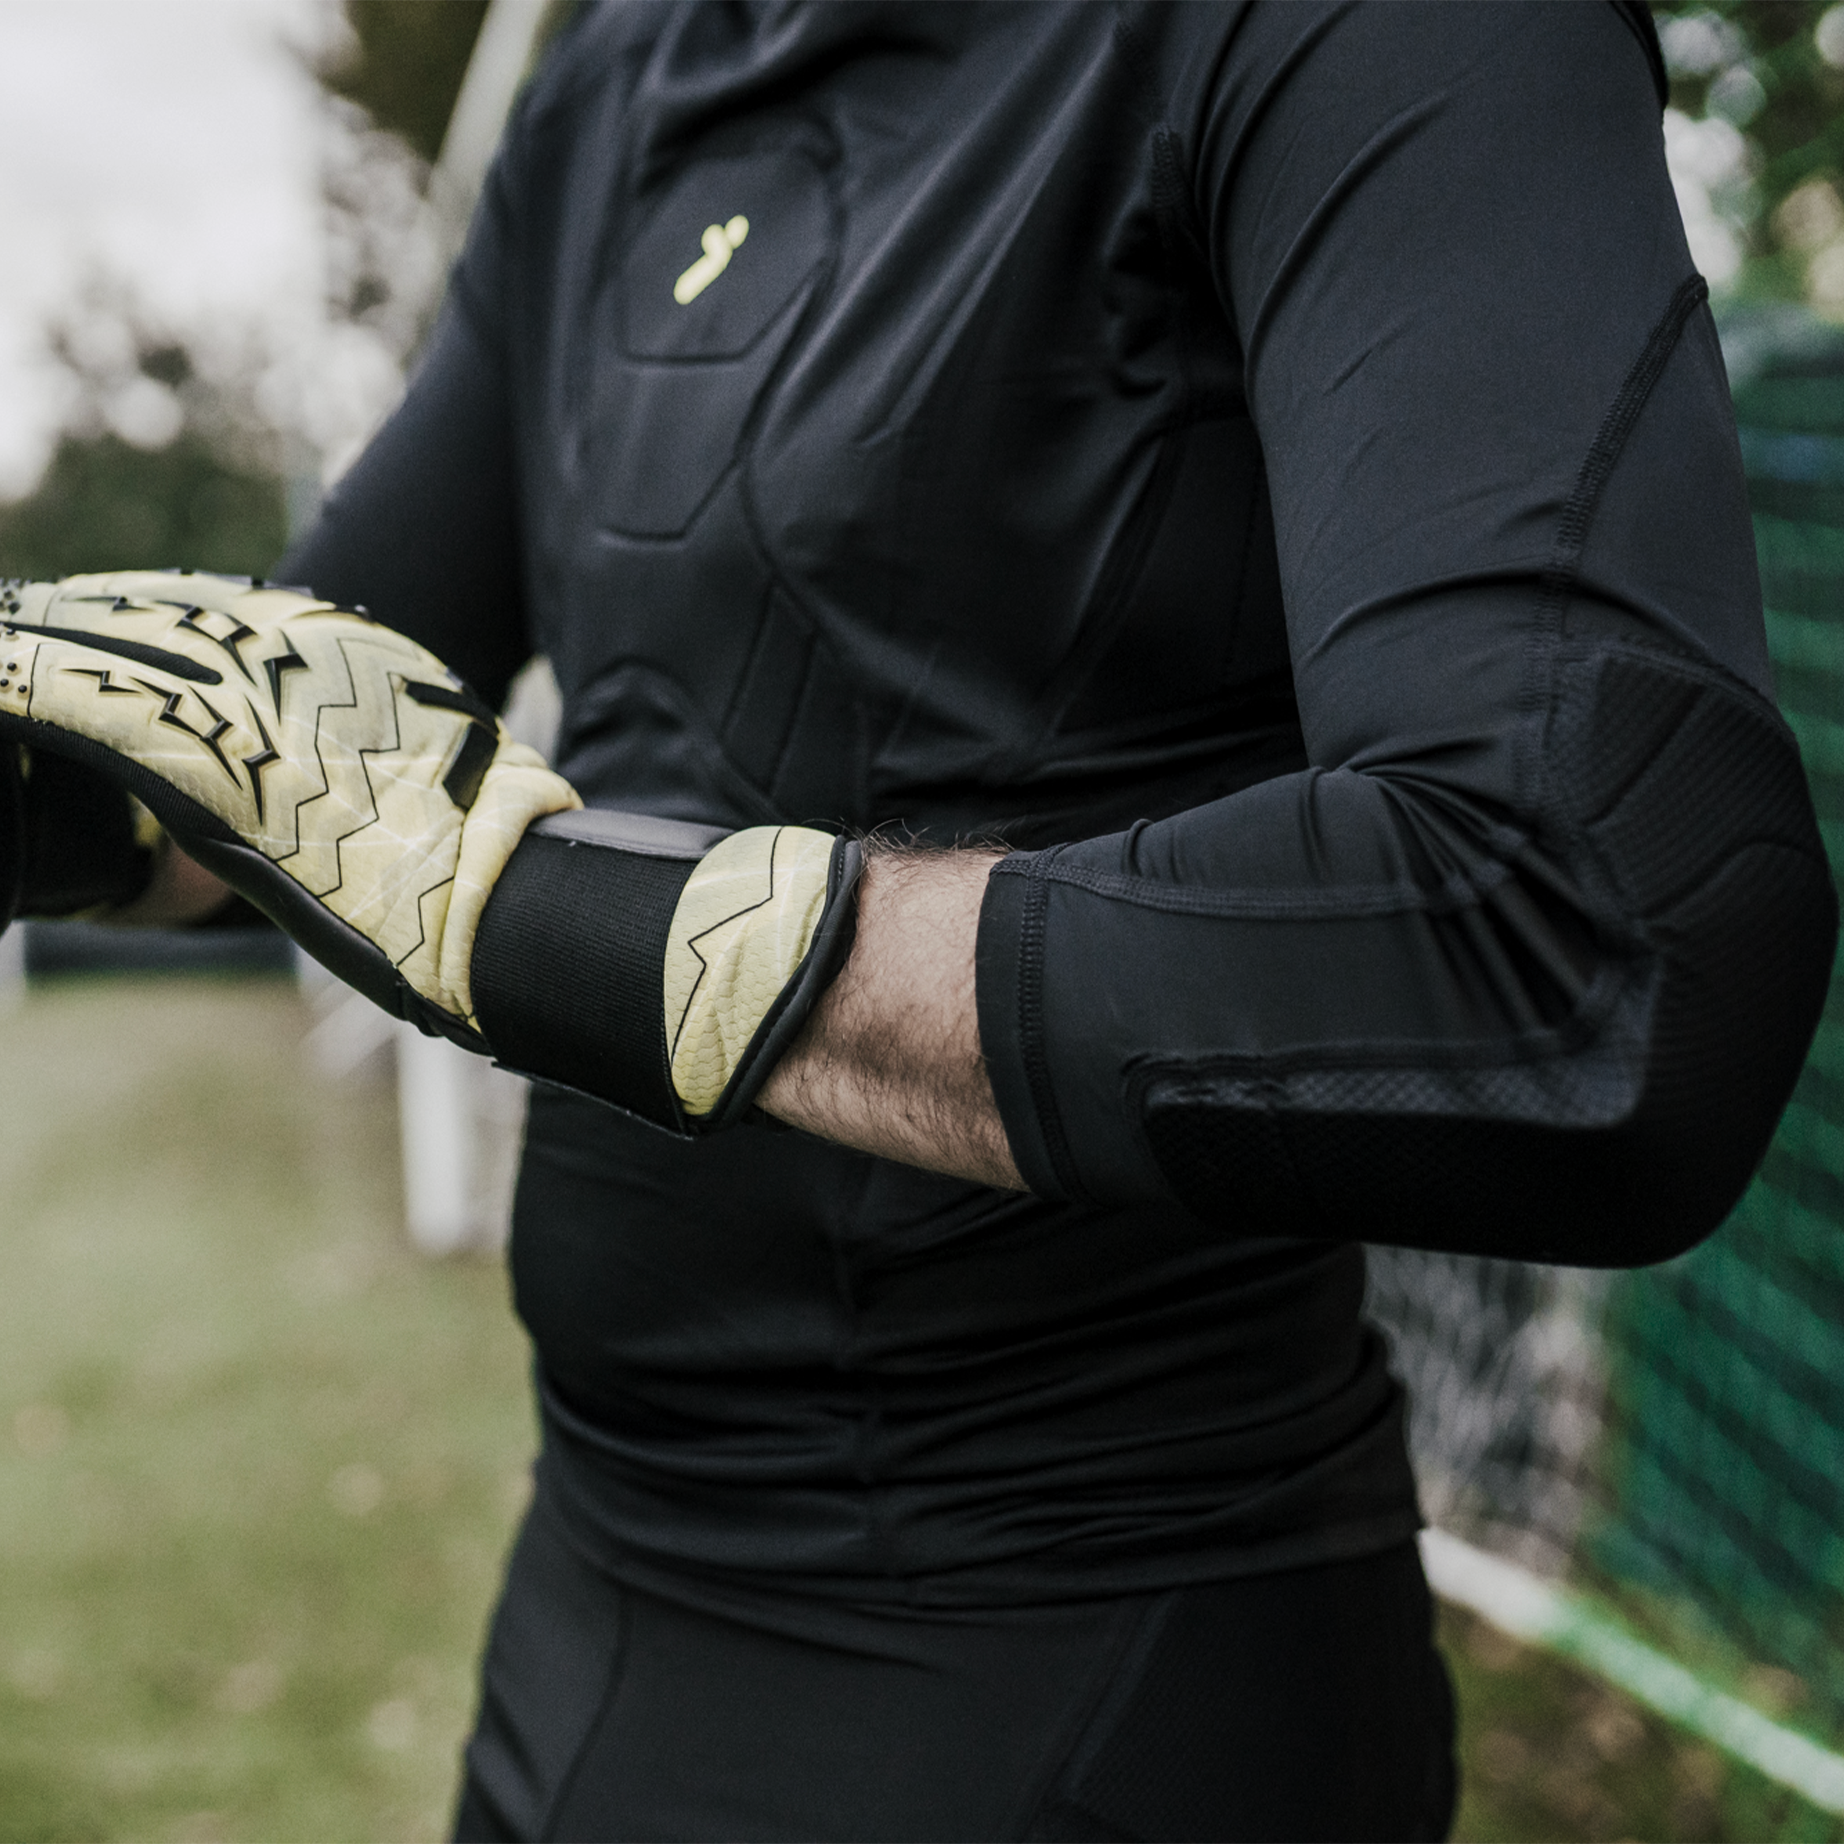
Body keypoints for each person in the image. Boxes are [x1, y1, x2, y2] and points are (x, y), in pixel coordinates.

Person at [0, 0, 1834, 1837]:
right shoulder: (617, 78)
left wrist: (527, 914)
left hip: (1090, 1648)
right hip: (593, 1611)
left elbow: (1591, 950)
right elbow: (271, 755)